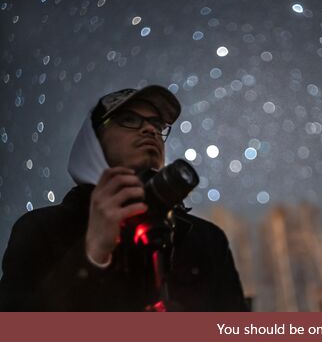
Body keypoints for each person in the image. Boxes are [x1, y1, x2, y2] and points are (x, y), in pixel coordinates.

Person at [0, 85, 247, 311]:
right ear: (93, 140)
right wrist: (91, 254)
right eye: (128, 119)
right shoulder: (42, 229)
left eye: (158, 125)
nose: (150, 129)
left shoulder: (206, 240)